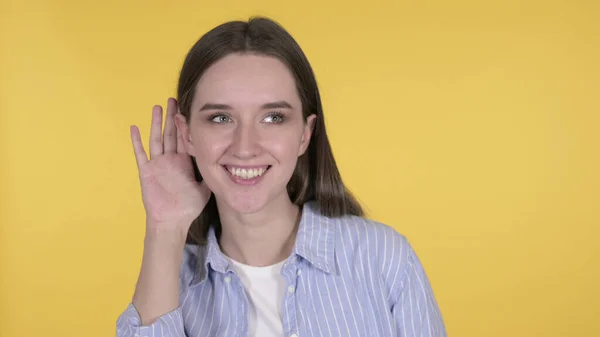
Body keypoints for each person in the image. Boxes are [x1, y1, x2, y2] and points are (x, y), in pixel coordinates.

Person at [116, 16, 446, 337]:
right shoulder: (168, 281)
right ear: (187, 135)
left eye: (273, 117)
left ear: (305, 133)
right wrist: (164, 228)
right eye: (220, 118)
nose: (245, 147)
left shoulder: (382, 257)